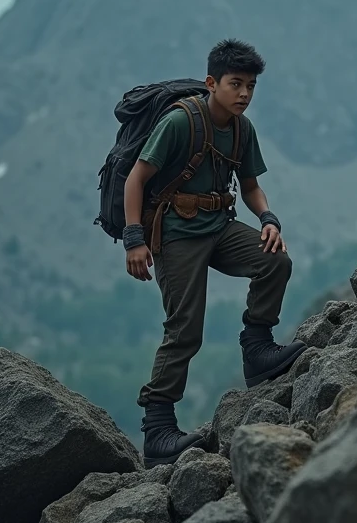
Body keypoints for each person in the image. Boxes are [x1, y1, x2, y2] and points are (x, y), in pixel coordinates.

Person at [122, 38, 306, 467]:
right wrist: (135, 239)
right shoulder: (181, 122)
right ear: (212, 83)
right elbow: (136, 179)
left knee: (274, 260)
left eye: (251, 86)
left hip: (218, 226)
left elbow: (252, 186)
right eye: (236, 84)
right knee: (185, 328)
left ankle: (258, 349)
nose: (244, 94)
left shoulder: (243, 129)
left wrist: (269, 220)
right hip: (175, 235)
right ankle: (158, 429)